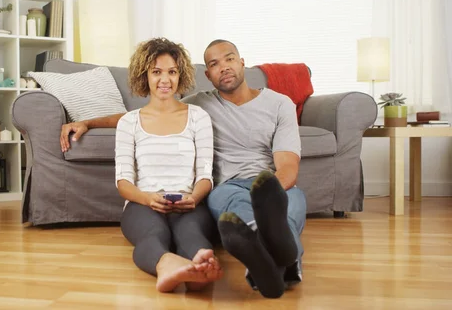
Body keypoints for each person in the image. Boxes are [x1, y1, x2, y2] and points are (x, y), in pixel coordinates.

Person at [59, 39, 306, 299]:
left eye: (229, 59)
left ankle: (249, 265)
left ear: (242, 62)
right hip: (190, 194)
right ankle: (177, 263)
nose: (224, 67)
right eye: (214, 64)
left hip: (234, 192)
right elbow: (144, 127)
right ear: (207, 75)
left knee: (221, 228)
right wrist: (87, 122)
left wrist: (203, 197)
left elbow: (279, 167)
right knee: (166, 230)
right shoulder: (174, 111)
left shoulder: (218, 111)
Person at [113, 37, 223, 293]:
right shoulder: (129, 122)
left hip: (189, 203)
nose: (165, 79)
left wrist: (194, 198)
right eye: (156, 72)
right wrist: (147, 198)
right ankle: (167, 265)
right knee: (153, 234)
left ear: (180, 74)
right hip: (142, 204)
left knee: (193, 234)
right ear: (145, 76)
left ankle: (199, 267)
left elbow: (205, 176)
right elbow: (123, 182)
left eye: (172, 72)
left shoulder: (198, 117)